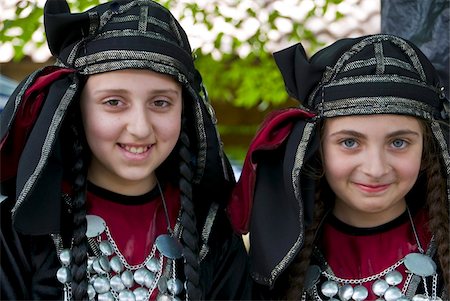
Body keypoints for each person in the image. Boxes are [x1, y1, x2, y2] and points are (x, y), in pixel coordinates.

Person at [0, 0, 251, 300]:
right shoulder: (18, 231)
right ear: (76, 107)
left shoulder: (213, 233)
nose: (140, 128)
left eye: (161, 103)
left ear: (183, 112)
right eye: (114, 102)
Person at [228, 34, 449, 300]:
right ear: (318, 148)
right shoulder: (278, 266)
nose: (375, 168)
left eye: (399, 142)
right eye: (350, 142)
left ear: (426, 149)